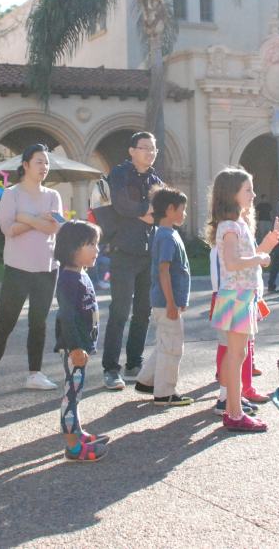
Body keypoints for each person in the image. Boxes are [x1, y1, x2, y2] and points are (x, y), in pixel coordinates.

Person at [0, 144, 62, 395]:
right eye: (39, 162)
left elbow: (55, 227)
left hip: (47, 266)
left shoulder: (53, 196)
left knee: (38, 322)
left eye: (47, 163)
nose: (44, 167)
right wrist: (36, 219)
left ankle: (35, 373)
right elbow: (8, 229)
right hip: (17, 268)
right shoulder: (11, 194)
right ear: (26, 165)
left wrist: (25, 218)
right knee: (4, 322)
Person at [207, 167, 279, 432]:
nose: (253, 195)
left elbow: (255, 255)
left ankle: (234, 409)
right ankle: (234, 412)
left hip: (241, 296)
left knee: (239, 354)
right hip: (236, 296)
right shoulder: (230, 226)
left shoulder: (238, 224)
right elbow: (233, 262)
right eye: (248, 190)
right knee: (236, 355)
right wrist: (258, 258)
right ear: (232, 194)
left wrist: (273, 236)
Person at [100, 132, 163, 390]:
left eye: (153, 149)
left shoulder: (155, 179)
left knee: (143, 311)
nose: (149, 153)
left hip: (147, 253)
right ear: (132, 150)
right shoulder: (120, 173)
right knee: (120, 310)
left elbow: (162, 212)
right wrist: (144, 211)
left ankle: (134, 363)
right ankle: (111, 369)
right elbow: (121, 205)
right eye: (144, 148)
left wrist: (147, 213)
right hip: (122, 251)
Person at [52, 221, 110, 462]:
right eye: (91, 245)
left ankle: (77, 430)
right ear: (72, 248)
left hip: (82, 347)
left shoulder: (81, 274)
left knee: (77, 391)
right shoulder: (67, 279)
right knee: (72, 394)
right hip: (73, 347)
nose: (97, 250)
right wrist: (76, 346)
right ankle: (73, 447)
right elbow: (67, 316)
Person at [133, 187, 194, 406]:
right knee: (172, 347)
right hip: (166, 302)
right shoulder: (166, 236)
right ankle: (165, 392)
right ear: (170, 210)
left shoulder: (168, 233)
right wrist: (171, 302)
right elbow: (163, 270)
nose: (184, 214)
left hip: (166, 301)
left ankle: (146, 381)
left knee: (164, 343)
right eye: (182, 209)